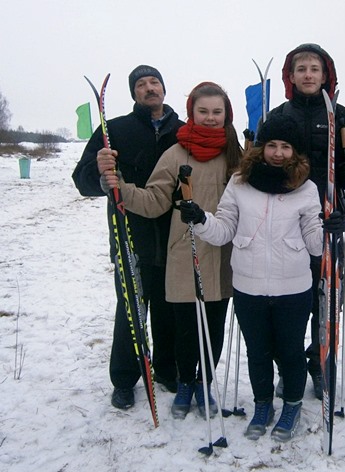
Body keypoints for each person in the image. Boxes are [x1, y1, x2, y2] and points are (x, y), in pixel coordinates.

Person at [179, 113, 344, 441]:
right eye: (272, 145)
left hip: (293, 288)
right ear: (261, 148)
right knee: (257, 351)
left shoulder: (306, 188)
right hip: (248, 286)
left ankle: (292, 405)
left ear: (294, 152)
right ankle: (263, 405)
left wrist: (328, 230)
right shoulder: (239, 183)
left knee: (291, 351)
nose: (278, 152)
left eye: (286, 147)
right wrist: (200, 219)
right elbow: (224, 229)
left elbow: (314, 242)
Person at [102, 81, 243, 419]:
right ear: (192, 112)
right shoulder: (176, 153)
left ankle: (203, 382)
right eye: (203, 111)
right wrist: (119, 186)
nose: (210, 118)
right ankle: (184, 384)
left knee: (214, 326)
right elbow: (153, 201)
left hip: (223, 254)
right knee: (184, 331)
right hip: (185, 254)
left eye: (217, 112)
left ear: (227, 115)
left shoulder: (237, 154)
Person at [72, 65, 183, 410]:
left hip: (173, 236)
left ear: (164, 89)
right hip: (129, 236)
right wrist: (101, 175)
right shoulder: (113, 131)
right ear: (134, 92)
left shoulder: (183, 131)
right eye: (141, 84)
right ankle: (124, 378)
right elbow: (83, 179)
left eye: (154, 82)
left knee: (169, 308)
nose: (149, 88)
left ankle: (167, 370)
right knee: (132, 310)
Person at [265, 43, 345, 401]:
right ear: (290, 76)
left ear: (326, 75)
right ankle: (287, 366)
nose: (308, 74)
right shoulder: (277, 116)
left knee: (326, 299)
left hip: (330, 220)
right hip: (286, 224)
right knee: (289, 301)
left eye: (314, 69)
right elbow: (262, 167)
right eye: (301, 68)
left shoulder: (342, 117)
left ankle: (321, 362)